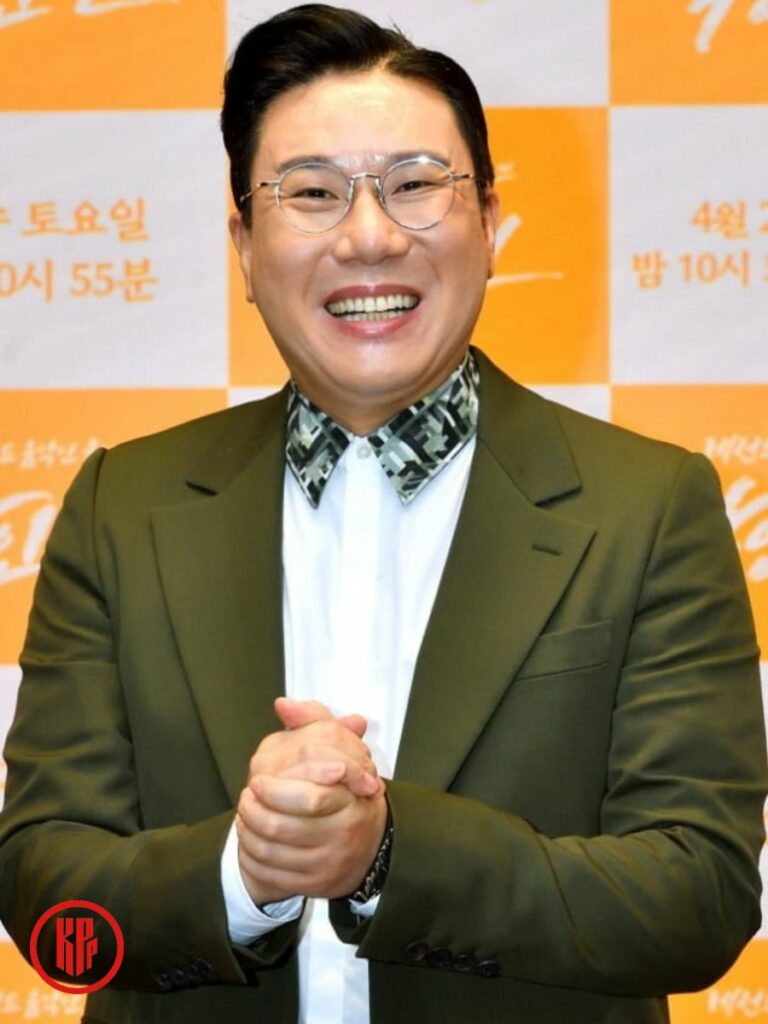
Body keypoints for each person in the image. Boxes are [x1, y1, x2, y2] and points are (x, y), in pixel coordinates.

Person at [0, 5, 765, 1023]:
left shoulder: (649, 506)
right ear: (243, 243)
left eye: (415, 184)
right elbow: (48, 893)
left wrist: (389, 852)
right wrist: (245, 869)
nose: (370, 234)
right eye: (312, 192)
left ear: (489, 222)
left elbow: (699, 896)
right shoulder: (121, 507)